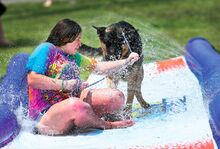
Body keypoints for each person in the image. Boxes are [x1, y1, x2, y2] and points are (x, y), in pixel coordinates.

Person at [26, 18, 139, 135]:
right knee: (76, 105)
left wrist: (126, 61)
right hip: (46, 115)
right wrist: (67, 84)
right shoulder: (46, 49)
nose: (80, 44)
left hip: (73, 105)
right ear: (66, 38)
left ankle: (91, 119)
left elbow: (99, 67)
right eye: (77, 39)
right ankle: (107, 125)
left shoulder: (73, 56)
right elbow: (32, 79)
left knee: (116, 97)